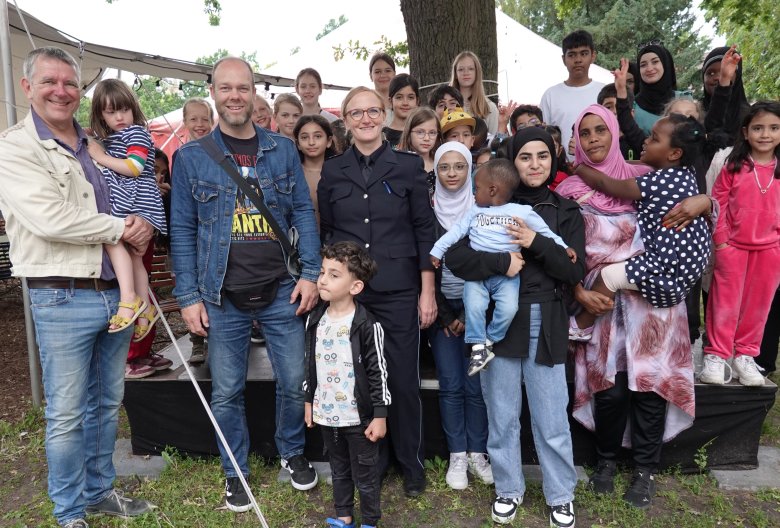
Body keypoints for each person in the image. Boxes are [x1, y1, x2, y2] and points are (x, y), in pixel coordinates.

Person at [0, 46, 154, 527]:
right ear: (27, 87)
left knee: (107, 403)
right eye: (49, 81)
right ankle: (69, 512)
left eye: (70, 82)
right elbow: (49, 218)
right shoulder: (15, 147)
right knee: (67, 413)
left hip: (113, 291)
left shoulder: (94, 143)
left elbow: (126, 199)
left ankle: (98, 491)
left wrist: (140, 226)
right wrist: (120, 229)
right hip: (60, 294)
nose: (61, 91)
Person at [170, 57, 321, 511]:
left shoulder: (282, 149)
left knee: (295, 382)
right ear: (213, 92)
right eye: (226, 88)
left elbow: (302, 214)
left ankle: (291, 453)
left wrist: (311, 273)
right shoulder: (191, 158)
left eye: (243, 88)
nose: (235, 96)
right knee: (227, 389)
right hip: (221, 297)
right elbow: (181, 231)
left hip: (281, 288)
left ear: (255, 93)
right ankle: (235, 471)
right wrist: (189, 297)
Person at [558, 104, 714, 509]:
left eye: (601, 131)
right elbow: (559, 252)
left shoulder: (647, 176)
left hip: (653, 311)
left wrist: (707, 202)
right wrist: (578, 292)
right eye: (584, 132)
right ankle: (606, 462)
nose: (593, 139)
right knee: (608, 390)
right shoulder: (566, 192)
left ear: (614, 133)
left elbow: (699, 218)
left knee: (648, 390)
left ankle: (645, 469)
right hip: (603, 308)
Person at [445, 127, 585, 527]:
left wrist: (533, 241)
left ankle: (560, 493)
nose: (535, 164)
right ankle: (508, 488)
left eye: (543, 156)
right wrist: (501, 264)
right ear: (512, 161)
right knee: (502, 414)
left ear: (553, 158)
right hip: (497, 323)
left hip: (545, 318)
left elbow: (574, 269)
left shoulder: (564, 210)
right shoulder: (489, 204)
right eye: (526, 157)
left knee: (550, 416)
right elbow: (458, 259)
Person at [318, 86, 437, 498]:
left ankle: (410, 463)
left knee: (402, 380)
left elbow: (425, 232)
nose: (366, 119)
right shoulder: (333, 172)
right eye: (356, 113)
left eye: (373, 111)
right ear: (346, 120)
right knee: (361, 380)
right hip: (353, 295)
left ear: (385, 114)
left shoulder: (407, 167)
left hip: (400, 291)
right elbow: (329, 232)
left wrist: (427, 292)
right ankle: (376, 460)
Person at [569, 114, 711, 339]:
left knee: (608, 277)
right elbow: (629, 165)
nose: (645, 141)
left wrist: (580, 169)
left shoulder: (659, 181)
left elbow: (608, 184)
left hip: (663, 269)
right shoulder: (685, 173)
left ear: (674, 153)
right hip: (681, 272)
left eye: (653, 139)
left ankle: (579, 326)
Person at [430, 159, 573, 374]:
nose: (474, 193)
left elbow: (545, 232)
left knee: (509, 309)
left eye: (476, 188)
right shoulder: (474, 212)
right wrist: (437, 251)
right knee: (475, 307)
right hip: (477, 276)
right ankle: (478, 345)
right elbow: (455, 234)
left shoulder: (521, 212)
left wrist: (564, 247)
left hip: (507, 277)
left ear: (493, 190)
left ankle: (490, 340)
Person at [304, 241, 390, 528]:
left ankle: (370, 522)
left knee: (365, 475)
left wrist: (379, 415)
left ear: (355, 287)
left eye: (334, 274)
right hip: (328, 414)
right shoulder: (314, 319)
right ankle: (344, 518)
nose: (323, 279)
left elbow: (379, 372)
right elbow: (310, 364)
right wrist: (309, 403)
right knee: (338, 470)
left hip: (359, 418)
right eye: (322, 272)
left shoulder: (366, 324)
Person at [426, 142, 492, 490]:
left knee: (476, 385)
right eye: (444, 167)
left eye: (459, 167)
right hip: (442, 316)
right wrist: (449, 315)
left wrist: (469, 313)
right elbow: (425, 268)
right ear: (435, 172)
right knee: (451, 384)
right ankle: (457, 455)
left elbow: (490, 266)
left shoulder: (483, 209)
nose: (452, 173)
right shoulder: (427, 210)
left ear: (470, 170)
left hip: (478, 314)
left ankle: (478, 452)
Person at [700, 101, 780, 387]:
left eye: (773, 128)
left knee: (758, 306)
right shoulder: (733, 166)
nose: (765, 134)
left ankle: (745, 355)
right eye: (758, 128)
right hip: (732, 247)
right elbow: (717, 203)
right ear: (745, 132)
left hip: (770, 252)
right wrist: (721, 243)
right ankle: (716, 355)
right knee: (724, 302)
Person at [86, 79, 167, 344]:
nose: (119, 117)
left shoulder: (136, 134)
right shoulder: (114, 138)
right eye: (111, 112)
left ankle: (128, 299)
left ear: (133, 109)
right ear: (101, 115)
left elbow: (134, 167)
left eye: (124, 109)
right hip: (133, 200)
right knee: (134, 256)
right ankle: (146, 309)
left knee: (112, 239)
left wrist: (100, 155)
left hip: (136, 202)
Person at [178, 97, 215, 364]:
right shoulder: (182, 155)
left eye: (204, 118)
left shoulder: (219, 152)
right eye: (194, 119)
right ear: (185, 122)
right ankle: (197, 341)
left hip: (213, 234)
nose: (200, 124)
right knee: (194, 288)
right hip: (193, 234)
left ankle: (214, 338)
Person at [540, 30, 605, 161]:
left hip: (599, 168)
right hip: (561, 170)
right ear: (564, 59)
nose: (578, 60)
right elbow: (544, 135)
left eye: (584, 53)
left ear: (593, 56)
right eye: (572, 55)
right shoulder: (550, 95)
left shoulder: (604, 92)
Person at [294, 114, 339, 226]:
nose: (311, 142)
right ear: (298, 143)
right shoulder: (291, 174)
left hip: (336, 240)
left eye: (318, 136)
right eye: (304, 137)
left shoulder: (341, 173)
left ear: (329, 141)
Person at [702, 45, 750, 144]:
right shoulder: (695, 113)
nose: (718, 77)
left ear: (738, 77)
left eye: (725, 72)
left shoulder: (751, 116)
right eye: (711, 73)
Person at [633, 42, 679, 135]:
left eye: (655, 62)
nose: (649, 68)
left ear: (665, 64)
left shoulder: (683, 99)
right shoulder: (632, 106)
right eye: (643, 65)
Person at [449, 51, 498, 135]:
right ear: (456, 74)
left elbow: (493, 142)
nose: (466, 73)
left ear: (477, 72)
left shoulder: (489, 107)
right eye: (461, 69)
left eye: (471, 69)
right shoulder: (445, 106)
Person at [383, 73, 420, 149]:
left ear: (417, 101)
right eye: (399, 97)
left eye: (410, 97)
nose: (405, 103)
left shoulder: (424, 135)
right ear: (390, 101)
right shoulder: (382, 136)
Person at [368, 52, 396, 123]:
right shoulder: (364, 104)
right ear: (371, 76)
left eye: (388, 71)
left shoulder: (404, 104)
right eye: (377, 72)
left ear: (394, 74)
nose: (383, 75)